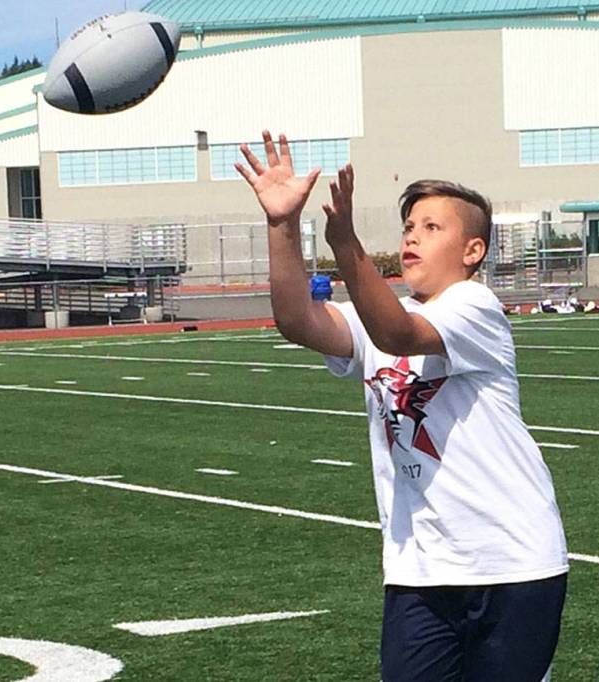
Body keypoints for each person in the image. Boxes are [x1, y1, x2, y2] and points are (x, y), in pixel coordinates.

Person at [235, 131, 568, 681]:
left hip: (511, 562)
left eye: (432, 227)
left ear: (472, 251)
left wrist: (347, 245)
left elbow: (397, 333)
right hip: (419, 569)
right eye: (409, 226)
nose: (412, 236)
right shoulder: (377, 316)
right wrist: (283, 224)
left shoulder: (474, 305)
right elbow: (297, 320)